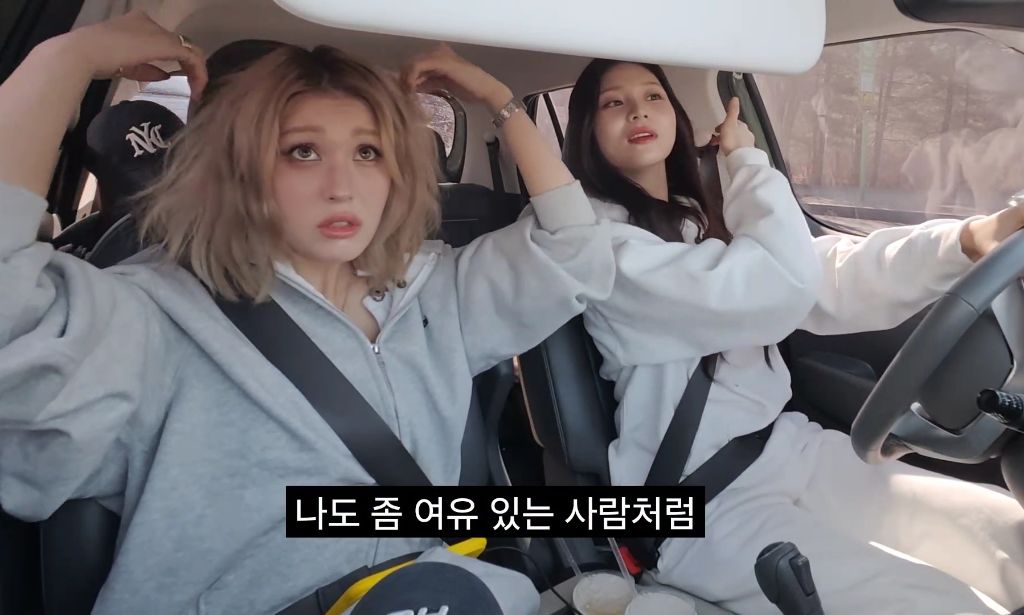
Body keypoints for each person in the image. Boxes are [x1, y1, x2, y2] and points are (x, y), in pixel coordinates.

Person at [0, 11, 615, 614]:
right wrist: (65, 58)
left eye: (368, 152)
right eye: (302, 151)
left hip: (433, 589)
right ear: (240, 171)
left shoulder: (435, 290)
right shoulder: (151, 313)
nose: (342, 185)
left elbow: (576, 252)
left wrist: (501, 101)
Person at [555, 58, 1024, 614]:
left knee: (1004, 533)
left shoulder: (697, 221)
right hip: (699, 505)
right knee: (937, 605)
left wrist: (967, 241)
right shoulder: (601, 246)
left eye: (653, 95)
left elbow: (826, 274)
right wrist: (745, 162)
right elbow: (777, 285)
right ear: (587, 128)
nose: (638, 110)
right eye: (614, 102)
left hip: (786, 448)